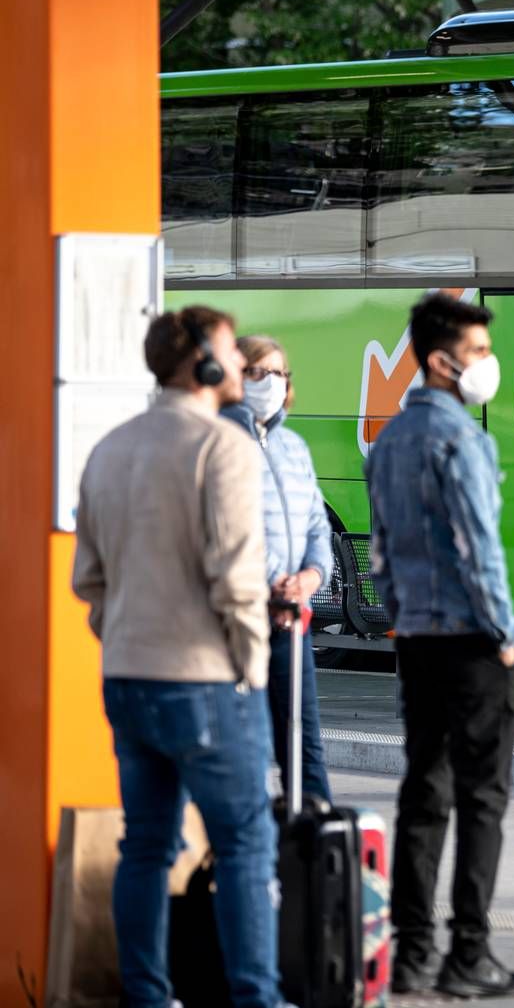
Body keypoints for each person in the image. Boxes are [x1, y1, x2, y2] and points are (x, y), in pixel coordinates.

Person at [72, 306, 284, 1008]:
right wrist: (252, 669)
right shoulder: (222, 449)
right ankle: (254, 998)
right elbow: (237, 576)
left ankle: (149, 996)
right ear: (205, 361)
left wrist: (127, 636)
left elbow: (88, 580)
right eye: (230, 348)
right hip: (205, 681)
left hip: (128, 676)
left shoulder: (111, 447)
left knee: (147, 844)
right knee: (246, 846)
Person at [364, 293, 514, 998]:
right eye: (480, 353)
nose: (488, 365)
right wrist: (506, 633)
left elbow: (380, 553)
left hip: (418, 642)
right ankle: (470, 956)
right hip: (470, 644)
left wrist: (402, 616)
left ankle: (411, 955)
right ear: (441, 360)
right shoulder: (462, 439)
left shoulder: (392, 437)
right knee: (482, 799)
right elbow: (477, 547)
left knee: (423, 793)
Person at [222, 334, 335, 804]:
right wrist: (273, 584)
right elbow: (230, 523)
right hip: (246, 614)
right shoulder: (222, 441)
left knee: (303, 734)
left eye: (279, 373)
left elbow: (315, 524)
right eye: (259, 372)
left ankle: (315, 833)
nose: (271, 382)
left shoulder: (293, 446)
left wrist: (311, 576)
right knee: (244, 742)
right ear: (237, 376)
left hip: (292, 618)